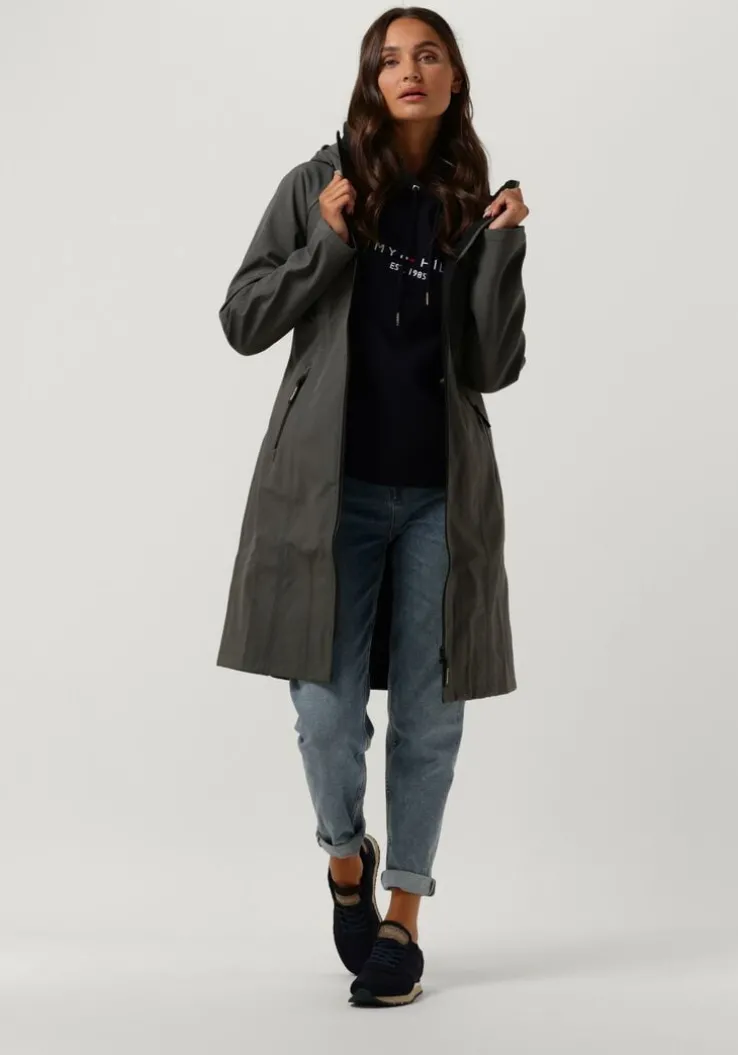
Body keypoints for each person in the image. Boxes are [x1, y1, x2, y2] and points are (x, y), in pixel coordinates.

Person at [215, 6, 529, 1008]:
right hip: (331, 496)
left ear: (454, 78)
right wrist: (327, 243)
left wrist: (505, 249)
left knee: (431, 719)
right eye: (391, 58)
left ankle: (403, 917)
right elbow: (242, 319)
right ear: (371, 80)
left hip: (441, 496)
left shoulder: (473, 202)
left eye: (429, 54)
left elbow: (494, 364)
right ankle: (346, 858)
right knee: (324, 713)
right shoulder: (318, 185)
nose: (410, 70)